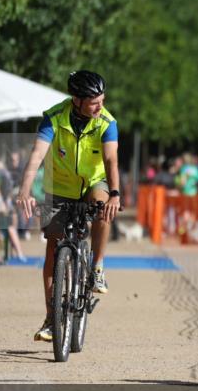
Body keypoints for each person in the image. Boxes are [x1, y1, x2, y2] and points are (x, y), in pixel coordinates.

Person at [16, 70, 121, 343]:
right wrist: (24, 190)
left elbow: (111, 160)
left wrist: (115, 194)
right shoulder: (53, 118)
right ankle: (52, 318)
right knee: (53, 248)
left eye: (102, 100)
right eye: (94, 102)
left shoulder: (107, 122)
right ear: (77, 100)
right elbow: (37, 155)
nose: (100, 107)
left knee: (103, 207)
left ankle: (97, 267)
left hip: (94, 182)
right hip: (59, 188)